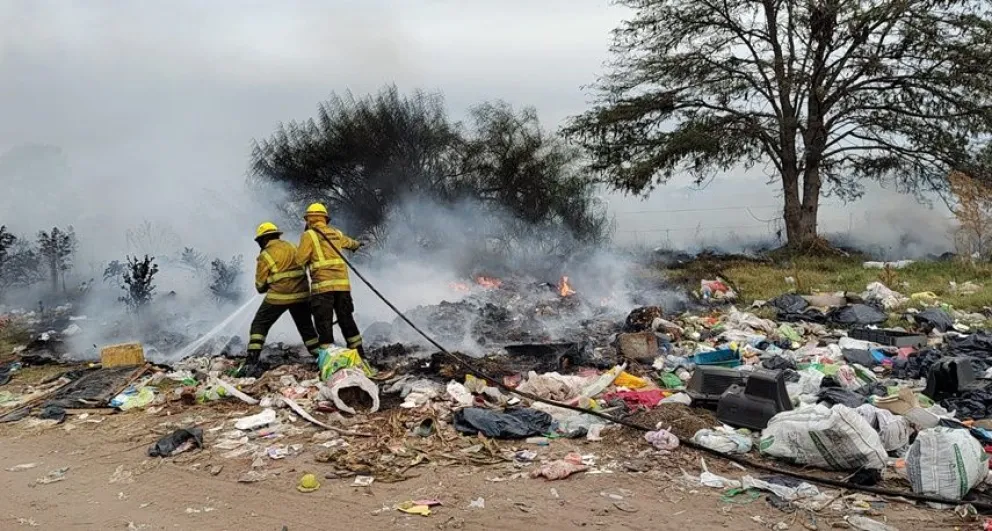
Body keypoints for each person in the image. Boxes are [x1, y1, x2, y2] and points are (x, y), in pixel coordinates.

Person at [242, 222, 320, 377]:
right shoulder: (292, 246)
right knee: (306, 327)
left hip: (278, 297)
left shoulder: (265, 255)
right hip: (301, 295)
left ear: (263, 240)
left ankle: (252, 360)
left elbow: (259, 286)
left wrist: (269, 284)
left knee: (259, 324)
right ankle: (320, 355)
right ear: (277, 235)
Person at [295, 203, 366, 356]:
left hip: (323, 288)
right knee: (346, 320)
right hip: (343, 287)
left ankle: (329, 358)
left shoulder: (309, 236)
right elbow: (350, 242)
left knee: (324, 324)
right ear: (325, 219)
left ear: (309, 220)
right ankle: (360, 355)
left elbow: (300, 260)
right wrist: (358, 244)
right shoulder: (336, 233)